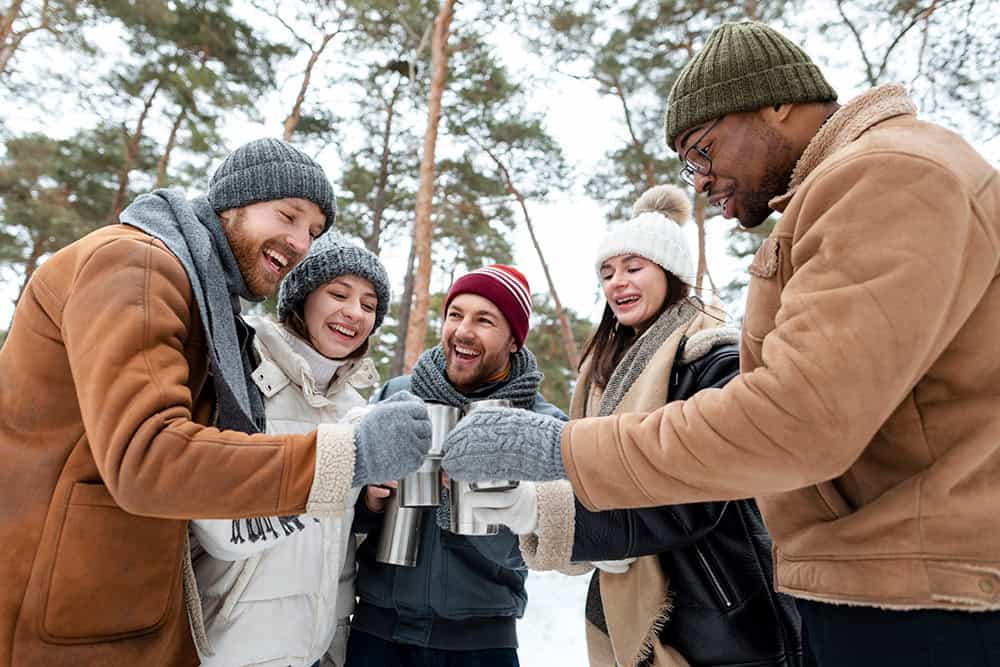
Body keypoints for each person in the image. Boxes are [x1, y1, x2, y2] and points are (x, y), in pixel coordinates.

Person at [442, 21, 1000, 667]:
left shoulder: (887, 175)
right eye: (606, 271)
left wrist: (559, 451)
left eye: (703, 150)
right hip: (890, 579)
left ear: (777, 103)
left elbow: (796, 422)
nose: (700, 181)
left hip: (920, 597)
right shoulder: (859, 182)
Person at [0, 138, 431, 666]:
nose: (299, 242)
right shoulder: (135, 265)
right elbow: (148, 458)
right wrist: (347, 458)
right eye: (288, 215)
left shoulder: (205, 301)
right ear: (235, 202)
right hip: (55, 612)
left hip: (118, 606)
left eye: (312, 231)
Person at [468, 185, 805, 667]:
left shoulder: (713, 360)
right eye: (607, 272)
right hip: (637, 604)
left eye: (633, 268)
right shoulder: (604, 370)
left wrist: (546, 513)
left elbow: (698, 491)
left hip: (719, 612)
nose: (617, 283)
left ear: (670, 272)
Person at [346, 264, 566, 667]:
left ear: (514, 340)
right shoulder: (399, 396)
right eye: (455, 314)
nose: (463, 330)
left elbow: (547, 545)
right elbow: (346, 514)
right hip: (378, 635)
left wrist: (484, 495)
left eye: (484, 320)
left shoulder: (541, 425)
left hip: (480, 644)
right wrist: (370, 503)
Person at [191, 234, 392, 667]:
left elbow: (334, 543)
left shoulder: (356, 408)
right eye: (338, 294)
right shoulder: (243, 374)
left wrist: (370, 504)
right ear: (301, 298)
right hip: (226, 645)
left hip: (312, 652)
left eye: (369, 305)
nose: (354, 313)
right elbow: (210, 515)